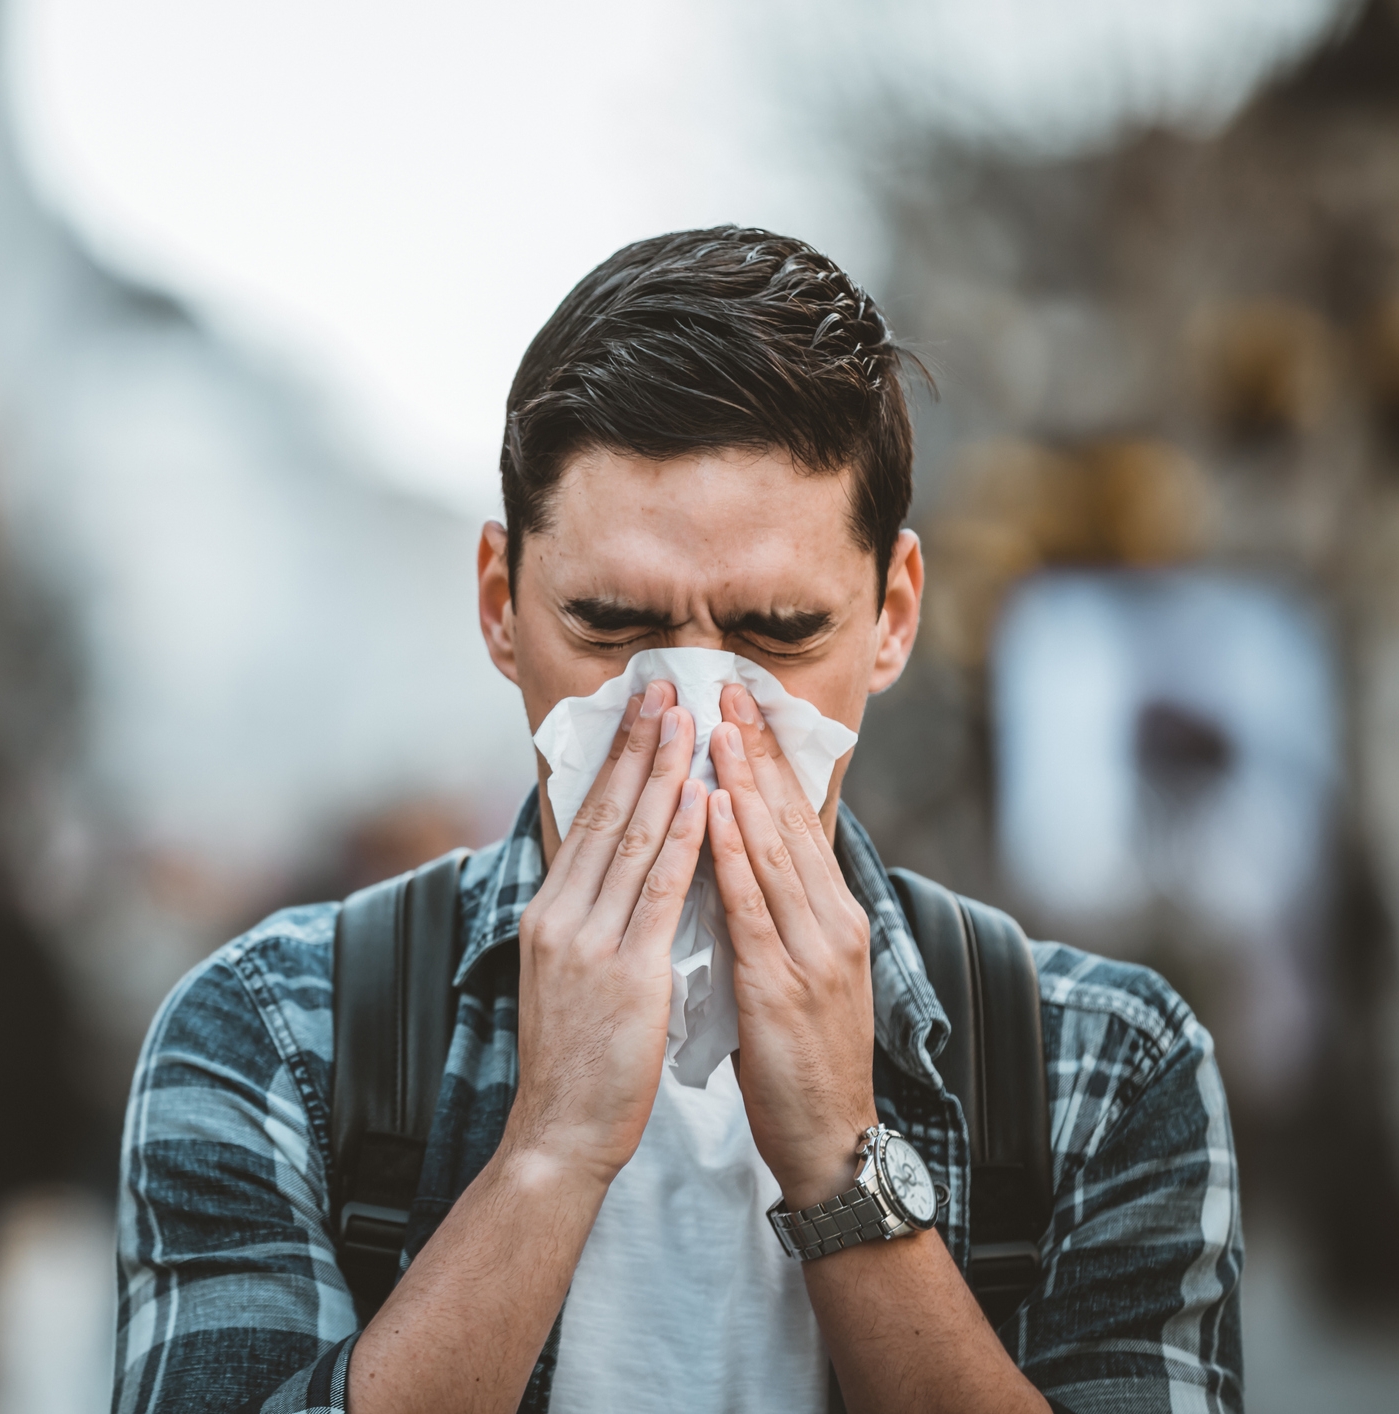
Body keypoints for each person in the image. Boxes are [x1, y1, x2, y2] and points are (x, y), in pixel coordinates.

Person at [112, 228, 1242, 1414]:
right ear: (501, 604)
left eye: (778, 633)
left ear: (893, 616)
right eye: (609, 623)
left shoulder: (1103, 1065)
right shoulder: (277, 1037)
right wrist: (548, 1153)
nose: (691, 713)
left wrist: (846, 1166)